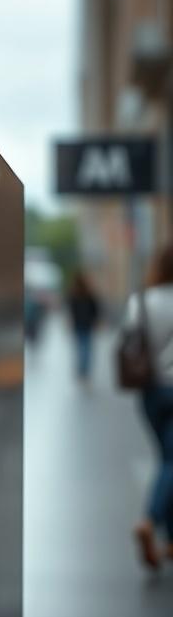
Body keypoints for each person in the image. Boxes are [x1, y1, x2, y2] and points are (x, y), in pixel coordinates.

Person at [127, 244, 173, 571]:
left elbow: (130, 344)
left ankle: (169, 541)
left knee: (169, 460)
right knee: (171, 461)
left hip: (151, 393)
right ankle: (150, 519)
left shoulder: (141, 301)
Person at [66, 270, 101, 381]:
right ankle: (85, 369)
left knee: (80, 346)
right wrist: (96, 321)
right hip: (87, 323)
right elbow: (95, 309)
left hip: (78, 323)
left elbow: (71, 310)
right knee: (87, 347)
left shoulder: (74, 294)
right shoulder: (89, 293)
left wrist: (70, 321)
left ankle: (81, 368)